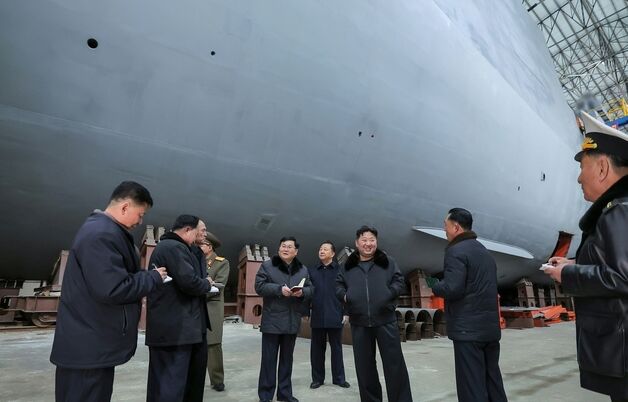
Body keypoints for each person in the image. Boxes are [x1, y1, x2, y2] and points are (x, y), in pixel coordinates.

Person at [50, 181, 167, 402]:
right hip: (88, 349)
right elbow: (113, 288)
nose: (140, 221)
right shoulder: (101, 235)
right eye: (140, 214)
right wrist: (152, 277)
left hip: (91, 344)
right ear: (124, 207)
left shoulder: (103, 231)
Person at [543, 112, 628, 402]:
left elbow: (621, 276)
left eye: (583, 166)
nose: (579, 177)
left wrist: (566, 274)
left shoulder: (619, 211)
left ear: (603, 167)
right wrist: (577, 264)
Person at [430, 208, 507, 402]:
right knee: (492, 382)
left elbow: (453, 288)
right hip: (489, 330)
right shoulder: (484, 252)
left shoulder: (456, 251)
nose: (444, 230)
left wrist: (435, 285)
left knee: (471, 387)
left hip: (468, 331)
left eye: (445, 226)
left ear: (456, 227)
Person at [336, 226, 412, 402]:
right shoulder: (347, 265)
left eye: (372, 240)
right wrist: (345, 295)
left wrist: (389, 293)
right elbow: (338, 285)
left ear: (376, 242)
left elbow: (399, 281)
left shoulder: (388, 261)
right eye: (364, 240)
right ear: (357, 243)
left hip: (385, 320)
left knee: (395, 365)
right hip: (359, 322)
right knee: (365, 367)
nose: (368, 244)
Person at [145, 215, 213, 402]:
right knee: (170, 384)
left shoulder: (187, 249)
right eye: (202, 230)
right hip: (174, 330)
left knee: (185, 382)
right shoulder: (173, 248)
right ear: (187, 230)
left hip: (186, 328)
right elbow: (190, 282)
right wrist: (206, 284)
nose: (205, 234)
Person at [255, 236, 313, 402]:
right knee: (268, 361)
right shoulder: (267, 266)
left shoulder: (302, 270)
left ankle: (284, 394)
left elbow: (311, 289)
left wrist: (303, 292)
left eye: (289, 247)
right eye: (282, 246)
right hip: (272, 320)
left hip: (291, 321)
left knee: (287, 361)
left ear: (296, 251)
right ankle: (265, 396)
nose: (285, 249)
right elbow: (259, 287)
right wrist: (279, 289)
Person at [308, 241, 350, 390]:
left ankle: (339, 379)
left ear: (332, 253)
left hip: (335, 314)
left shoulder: (341, 270)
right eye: (320, 249)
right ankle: (317, 379)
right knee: (317, 349)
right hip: (318, 314)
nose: (322, 251)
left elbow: (346, 292)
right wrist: (307, 311)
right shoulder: (312, 271)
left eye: (325, 249)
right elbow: (308, 293)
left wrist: (346, 312)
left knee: (336, 348)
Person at [200, 231, 230, 392]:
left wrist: (198, 286)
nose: (198, 247)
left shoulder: (221, 263)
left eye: (201, 244)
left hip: (212, 308)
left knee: (213, 345)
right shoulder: (194, 260)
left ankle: (217, 380)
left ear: (209, 246)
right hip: (195, 307)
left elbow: (218, 286)